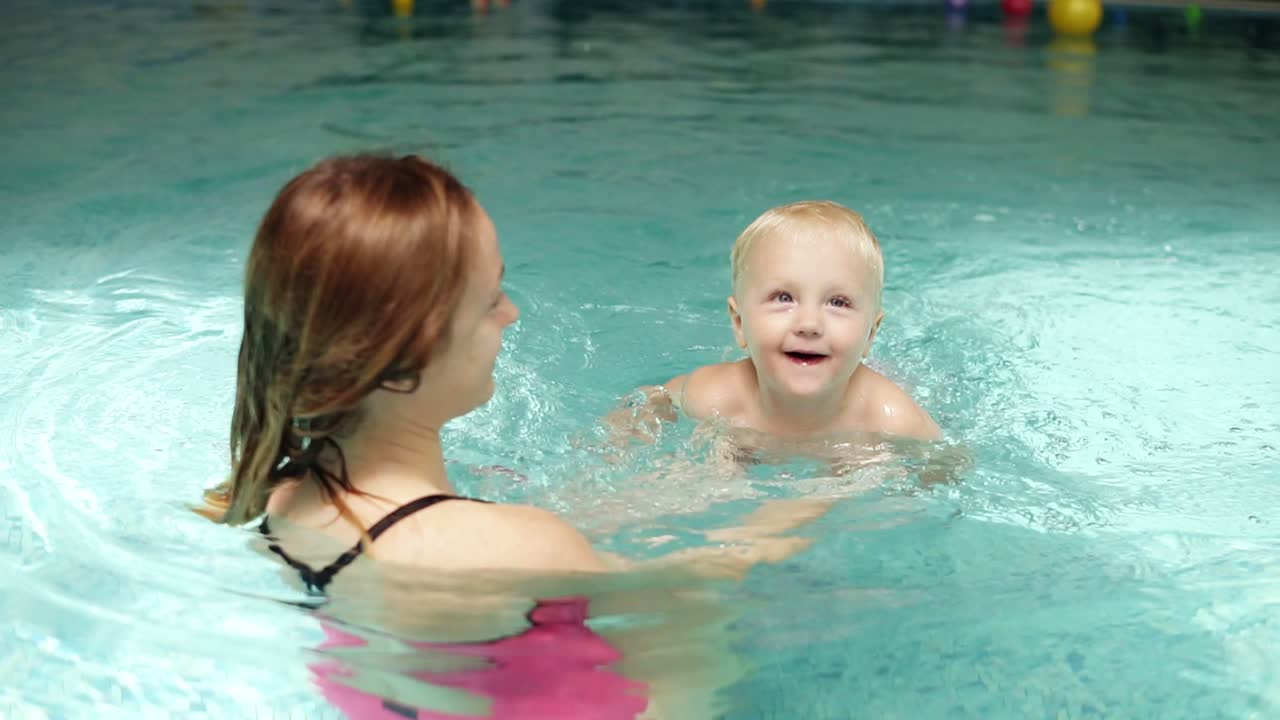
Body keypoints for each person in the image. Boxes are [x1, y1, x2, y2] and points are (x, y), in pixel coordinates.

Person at [195, 153, 825, 719]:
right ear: (402, 363)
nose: (510, 313)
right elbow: (697, 577)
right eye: (490, 299)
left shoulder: (278, 497)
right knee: (696, 619)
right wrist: (806, 500)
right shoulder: (527, 545)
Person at [611, 200, 942, 449]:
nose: (809, 324)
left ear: (871, 333)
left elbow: (949, 463)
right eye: (784, 298)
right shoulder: (717, 395)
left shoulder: (890, 418)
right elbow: (658, 396)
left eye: (838, 303)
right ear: (739, 323)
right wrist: (634, 422)